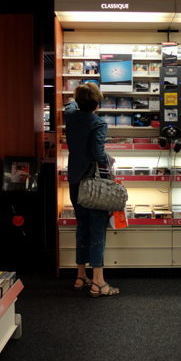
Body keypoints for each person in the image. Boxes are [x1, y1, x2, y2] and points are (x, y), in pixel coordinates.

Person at [64, 82, 119, 297]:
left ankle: (81, 276)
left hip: (75, 181)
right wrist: (109, 158)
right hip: (93, 184)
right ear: (97, 104)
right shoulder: (98, 123)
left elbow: (69, 106)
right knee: (97, 229)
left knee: (82, 227)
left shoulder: (70, 115)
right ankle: (98, 282)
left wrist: (75, 100)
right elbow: (98, 153)